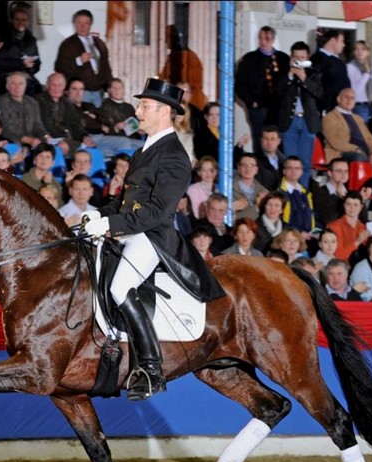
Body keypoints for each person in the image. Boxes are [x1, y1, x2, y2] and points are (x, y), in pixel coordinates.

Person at [82, 78, 225, 400]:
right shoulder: (143, 150)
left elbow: (157, 213)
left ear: (164, 111)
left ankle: (150, 367)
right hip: (129, 230)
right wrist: (97, 214)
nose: (138, 111)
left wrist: (110, 225)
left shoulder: (174, 156)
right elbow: (124, 200)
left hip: (151, 236)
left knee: (120, 288)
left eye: (144, 106)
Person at [276, 41, 323, 189]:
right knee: (290, 163)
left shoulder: (314, 73)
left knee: (305, 163)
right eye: (296, 58)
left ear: (308, 57)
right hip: (289, 122)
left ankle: (303, 194)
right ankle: (289, 193)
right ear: (291, 57)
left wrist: (304, 78)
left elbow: (319, 93)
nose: (299, 61)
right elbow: (277, 92)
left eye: (302, 58)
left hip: (308, 122)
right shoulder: (284, 73)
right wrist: (290, 75)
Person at [235, 26, 290, 148]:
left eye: (267, 39)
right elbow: (240, 84)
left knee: (278, 139)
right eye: (261, 38)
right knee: (260, 138)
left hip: (278, 108)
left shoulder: (283, 58)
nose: (263, 42)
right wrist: (251, 102)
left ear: (273, 39)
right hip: (258, 107)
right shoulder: (249, 59)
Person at [54, 9, 113, 108]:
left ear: (90, 25)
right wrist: (79, 61)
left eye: (86, 23)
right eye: (79, 23)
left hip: (98, 92)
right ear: (74, 24)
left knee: (96, 121)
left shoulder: (99, 43)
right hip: (80, 93)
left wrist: (110, 86)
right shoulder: (67, 44)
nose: (82, 26)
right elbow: (59, 67)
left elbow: (106, 67)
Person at [322, 88, 372, 169]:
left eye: (352, 98)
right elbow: (334, 141)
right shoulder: (330, 117)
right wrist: (356, 149)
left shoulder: (358, 118)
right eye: (346, 97)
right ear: (338, 99)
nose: (349, 100)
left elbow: (370, 139)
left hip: (362, 150)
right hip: (342, 152)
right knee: (359, 158)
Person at [0, 3, 42, 97]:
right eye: (17, 19)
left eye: (24, 20)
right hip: (5, 75)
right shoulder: (2, 37)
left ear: (28, 22)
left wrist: (31, 66)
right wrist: (21, 63)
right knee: (16, 88)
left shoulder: (31, 40)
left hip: (25, 75)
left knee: (35, 89)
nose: (20, 22)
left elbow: (38, 64)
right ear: (12, 20)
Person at [36, 72, 85, 158]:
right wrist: (63, 140)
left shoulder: (66, 102)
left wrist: (84, 136)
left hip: (68, 140)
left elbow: (76, 124)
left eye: (60, 85)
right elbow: (45, 125)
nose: (57, 88)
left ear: (64, 87)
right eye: (53, 85)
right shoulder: (39, 100)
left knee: (93, 153)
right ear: (47, 86)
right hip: (50, 140)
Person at [0, 72, 49, 150]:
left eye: (21, 84)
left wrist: (45, 136)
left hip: (32, 143)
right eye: (13, 84)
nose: (17, 87)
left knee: (54, 150)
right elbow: (6, 129)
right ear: (7, 86)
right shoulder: (2, 102)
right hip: (11, 143)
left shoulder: (33, 103)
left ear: (25, 86)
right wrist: (28, 140)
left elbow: (37, 125)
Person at [310, 29, 350, 112]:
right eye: (341, 41)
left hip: (340, 108)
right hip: (325, 108)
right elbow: (315, 85)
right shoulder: (318, 59)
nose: (344, 45)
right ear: (333, 40)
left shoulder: (339, 61)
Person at [346, 40, 372, 122]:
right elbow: (354, 91)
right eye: (356, 49)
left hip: (371, 105)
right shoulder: (350, 67)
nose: (359, 51)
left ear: (368, 52)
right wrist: (366, 74)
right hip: (358, 105)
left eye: (363, 49)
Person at [326, 192, 368, 263]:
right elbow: (338, 254)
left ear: (361, 207)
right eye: (348, 204)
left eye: (355, 205)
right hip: (341, 266)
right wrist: (357, 242)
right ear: (344, 205)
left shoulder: (364, 228)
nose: (352, 208)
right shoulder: (334, 226)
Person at [313, 158, 349, 227]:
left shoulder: (350, 192)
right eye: (339, 171)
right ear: (329, 173)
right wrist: (340, 198)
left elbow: (362, 219)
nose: (343, 174)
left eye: (346, 171)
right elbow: (329, 220)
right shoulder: (320, 192)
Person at [232, 153, 267, 222]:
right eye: (244, 165)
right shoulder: (229, 189)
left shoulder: (263, 191)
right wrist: (257, 208)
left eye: (251, 165)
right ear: (238, 168)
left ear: (256, 170)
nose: (248, 168)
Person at [255, 126, 285, 191]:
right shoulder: (254, 160)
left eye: (272, 139)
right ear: (261, 140)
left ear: (279, 141)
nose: (269, 142)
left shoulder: (285, 162)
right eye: (266, 139)